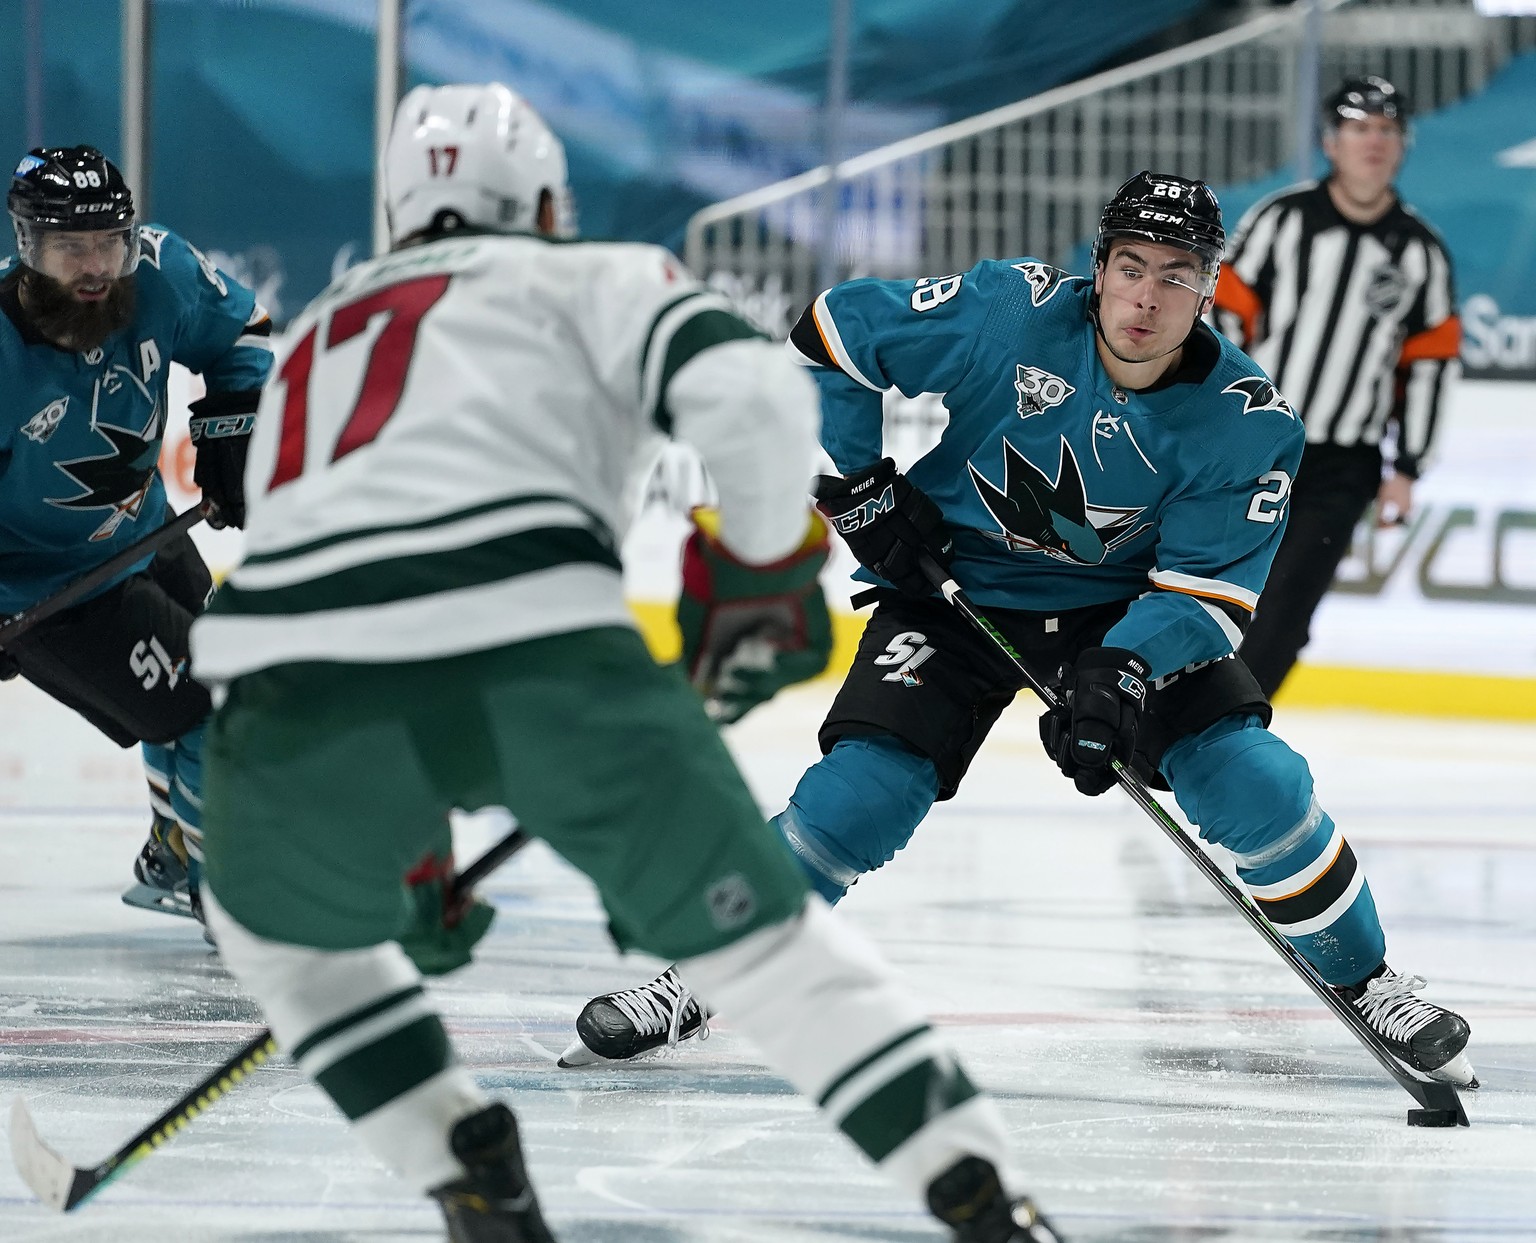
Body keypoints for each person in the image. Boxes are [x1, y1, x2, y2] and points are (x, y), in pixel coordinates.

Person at [188, 83, 1063, 1243]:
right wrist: (757, 565)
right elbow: (751, 389)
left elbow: (310, 560)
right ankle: (983, 1195)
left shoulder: (312, 340)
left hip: (293, 702)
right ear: (547, 200)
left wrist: (395, 826)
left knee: (280, 939)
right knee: (759, 948)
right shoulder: (593, 274)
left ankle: (464, 1165)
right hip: (541, 658)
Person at [559, 170, 1477, 1105]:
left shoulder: (1248, 421)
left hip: (1121, 616)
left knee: (1253, 779)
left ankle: (1368, 982)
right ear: (1099, 267)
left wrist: (1121, 671)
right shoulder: (1010, 310)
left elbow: (1207, 596)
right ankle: (709, 974)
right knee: (860, 792)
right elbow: (830, 334)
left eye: (1175, 274)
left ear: (1211, 289)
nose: (1146, 297)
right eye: (1130, 267)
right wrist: (865, 478)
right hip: (955, 592)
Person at [0, 145, 272, 923]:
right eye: (69, 248)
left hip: (145, 529)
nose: (95, 267)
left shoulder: (158, 270)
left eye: (107, 244)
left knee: (207, 691)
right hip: (48, 591)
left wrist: (231, 423)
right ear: (27, 246)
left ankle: (177, 849)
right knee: (216, 707)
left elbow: (242, 329)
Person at [1210, 75, 1460, 698]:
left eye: (1386, 129)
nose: (1372, 141)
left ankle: (1227, 728)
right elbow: (1221, 317)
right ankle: (1163, 706)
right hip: (1257, 442)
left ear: (1402, 145)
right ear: (1330, 141)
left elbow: (1429, 364)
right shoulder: (1281, 220)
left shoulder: (1420, 252)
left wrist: (1409, 467)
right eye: (1358, 128)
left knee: (1288, 612)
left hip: (1344, 463)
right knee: (1217, 587)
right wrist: (1210, 412)